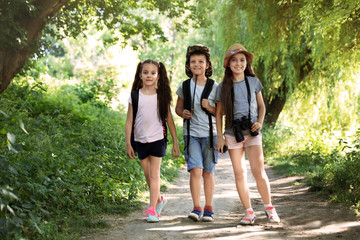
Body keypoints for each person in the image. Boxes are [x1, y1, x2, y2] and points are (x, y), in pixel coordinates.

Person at [215, 44, 280, 225]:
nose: (239, 64)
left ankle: (269, 208)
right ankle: (249, 212)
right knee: (239, 173)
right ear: (228, 64)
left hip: (252, 133)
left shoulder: (253, 82)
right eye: (234, 60)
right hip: (232, 133)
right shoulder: (223, 87)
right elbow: (219, 113)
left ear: (247, 62)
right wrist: (220, 136)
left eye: (242, 60)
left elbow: (261, 106)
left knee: (258, 171)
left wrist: (259, 121)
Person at [125, 59, 180, 223]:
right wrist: (128, 143)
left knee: (155, 175)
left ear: (158, 76)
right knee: (148, 176)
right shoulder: (134, 95)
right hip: (140, 141)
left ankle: (152, 211)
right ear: (140, 75)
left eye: (153, 73)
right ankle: (160, 200)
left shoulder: (161, 96)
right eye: (146, 72)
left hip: (158, 140)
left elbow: (169, 120)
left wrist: (175, 143)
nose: (149, 75)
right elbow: (129, 121)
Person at [175, 45, 218, 222]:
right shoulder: (184, 86)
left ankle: (208, 207)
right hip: (191, 133)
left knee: (208, 172)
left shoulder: (215, 86)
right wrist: (183, 113)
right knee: (196, 169)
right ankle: (196, 207)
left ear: (207, 65)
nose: (197, 64)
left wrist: (210, 107)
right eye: (193, 62)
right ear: (188, 64)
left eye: (201, 61)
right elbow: (178, 109)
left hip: (210, 134)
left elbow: (221, 112)